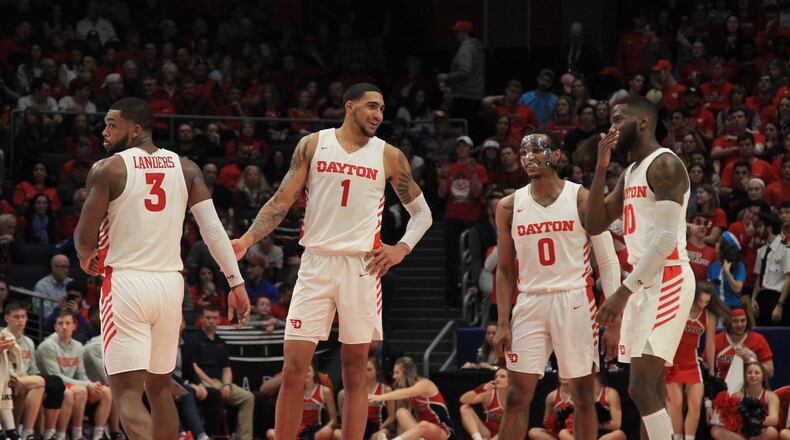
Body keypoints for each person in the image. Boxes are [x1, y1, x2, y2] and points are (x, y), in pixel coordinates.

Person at [230, 83, 431, 440]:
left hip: (362, 268)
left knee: (355, 372)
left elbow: (423, 214)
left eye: (383, 109)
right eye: (372, 106)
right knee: (294, 369)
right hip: (316, 264)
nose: (378, 115)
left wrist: (401, 248)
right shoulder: (312, 144)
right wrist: (246, 241)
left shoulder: (389, 156)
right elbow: (280, 202)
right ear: (349, 107)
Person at [73, 97, 250, 440]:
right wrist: (236, 282)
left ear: (135, 128)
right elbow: (213, 232)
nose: (104, 131)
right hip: (171, 288)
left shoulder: (109, 168)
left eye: (112, 125)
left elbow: (84, 237)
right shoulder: (186, 168)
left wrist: (84, 257)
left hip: (126, 284)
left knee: (126, 390)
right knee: (160, 387)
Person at [493, 130, 620, 439]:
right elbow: (505, 269)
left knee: (583, 397)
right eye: (524, 152)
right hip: (529, 301)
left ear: (557, 155)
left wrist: (615, 321)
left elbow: (608, 261)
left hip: (574, 300)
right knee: (515, 396)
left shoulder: (581, 198)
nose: (529, 157)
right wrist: (502, 322)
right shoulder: (509, 206)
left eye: (537, 150)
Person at [587, 96, 696, 439]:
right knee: (648, 390)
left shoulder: (664, 165)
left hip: (668, 277)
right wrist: (601, 168)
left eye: (619, 120)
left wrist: (621, 293)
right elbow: (595, 222)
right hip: (642, 281)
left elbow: (664, 242)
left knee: (641, 387)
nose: (612, 129)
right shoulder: (631, 172)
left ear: (644, 123)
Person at [666, 281, 731, 440]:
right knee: (676, 404)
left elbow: (710, 344)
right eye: (700, 301)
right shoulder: (680, 310)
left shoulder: (708, 316)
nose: (703, 304)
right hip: (672, 361)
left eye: (706, 302)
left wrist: (711, 370)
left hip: (692, 363)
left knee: (695, 405)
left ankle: (689, 438)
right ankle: (677, 437)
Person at [37, 311, 113, 440]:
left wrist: (92, 385)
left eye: (68, 323)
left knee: (106, 391)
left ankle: (98, 435)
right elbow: (56, 377)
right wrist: (87, 384)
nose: (64, 327)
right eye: (60, 323)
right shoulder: (48, 345)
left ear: (74, 326)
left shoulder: (78, 346)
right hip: (53, 387)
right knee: (80, 391)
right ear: (55, 327)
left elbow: (82, 375)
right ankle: (69, 434)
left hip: (72, 384)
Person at [184, 306, 255, 439]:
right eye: (208, 318)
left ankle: (244, 437)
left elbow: (226, 368)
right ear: (201, 319)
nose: (211, 321)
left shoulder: (221, 342)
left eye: (214, 318)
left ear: (219, 320)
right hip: (201, 381)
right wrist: (212, 383)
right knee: (214, 393)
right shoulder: (193, 339)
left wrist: (227, 385)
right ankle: (207, 435)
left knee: (248, 397)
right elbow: (192, 366)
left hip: (220, 382)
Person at [5, 302, 71, 440]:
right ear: (7, 318)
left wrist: (31, 377)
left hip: (27, 379)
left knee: (40, 385)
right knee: (43, 381)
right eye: (16, 317)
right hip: (6, 379)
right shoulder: (3, 338)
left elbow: (34, 368)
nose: (20, 320)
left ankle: (28, 432)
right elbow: (5, 368)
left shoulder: (28, 342)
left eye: (23, 316)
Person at [369, 357, 453, 440]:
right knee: (401, 412)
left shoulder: (425, 384)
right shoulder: (405, 391)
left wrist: (379, 397)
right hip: (423, 433)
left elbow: (406, 392)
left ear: (406, 373)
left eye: (397, 372)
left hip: (443, 433)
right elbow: (404, 426)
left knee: (424, 425)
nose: (394, 376)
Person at [710, 361, 781, 440]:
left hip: (760, 433)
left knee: (772, 432)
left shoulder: (771, 396)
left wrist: (755, 420)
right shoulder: (738, 395)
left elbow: (774, 419)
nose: (753, 375)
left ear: (763, 377)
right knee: (715, 430)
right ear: (745, 376)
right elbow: (730, 417)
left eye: (757, 373)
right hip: (741, 433)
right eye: (749, 373)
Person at [334, 357, 395, 440]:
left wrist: (382, 427)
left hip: (378, 427)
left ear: (377, 371)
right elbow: (345, 417)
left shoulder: (386, 390)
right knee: (337, 433)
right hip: (358, 427)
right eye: (363, 370)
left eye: (369, 370)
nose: (365, 373)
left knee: (381, 434)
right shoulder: (353, 390)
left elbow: (392, 416)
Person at [714, 307, 774, 380]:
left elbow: (770, 372)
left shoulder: (758, 339)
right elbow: (706, 367)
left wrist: (749, 359)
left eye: (743, 321)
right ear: (728, 322)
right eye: (735, 321)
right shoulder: (716, 340)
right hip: (723, 386)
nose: (740, 325)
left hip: (750, 386)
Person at [752, 212, 790, 326]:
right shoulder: (762, 250)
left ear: (769, 228)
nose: (758, 230)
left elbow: (788, 279)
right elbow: (759, 277)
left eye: (760, 226)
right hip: (762, 297)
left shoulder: (786, 248)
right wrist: (754, 298)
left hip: (777, 297)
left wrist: (780, 305)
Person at [459, 367, 508, 440]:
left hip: (507, 436)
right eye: (496, 377)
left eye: (502, 376)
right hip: (487, 435)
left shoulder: (517, 399)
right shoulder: (489, 394)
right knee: (465, 408)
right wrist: (480, 389)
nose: (498, 379)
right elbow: (463, 400)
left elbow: (512, 428)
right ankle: (477, 437)